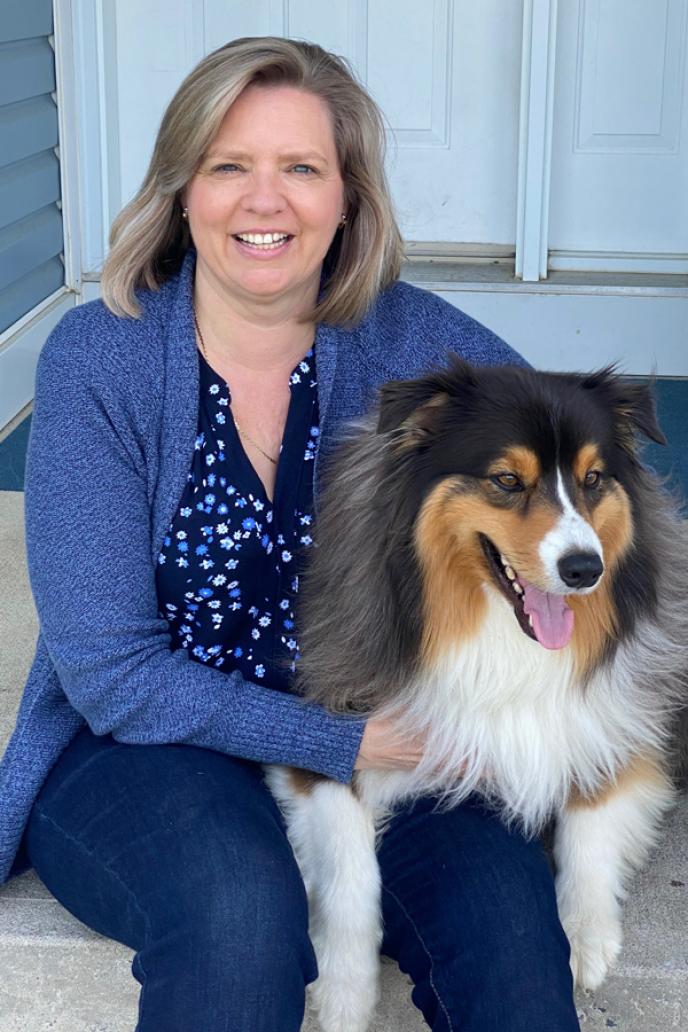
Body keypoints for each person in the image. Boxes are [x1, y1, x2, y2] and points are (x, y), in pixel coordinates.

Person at [0, 37, 581, 1032]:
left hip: (386, 738)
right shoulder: (100, 359)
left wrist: (516, 703)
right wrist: (336, 739)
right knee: (240, 914)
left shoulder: (412, 342)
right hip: (148, 746)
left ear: (347, 197)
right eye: (229, 166)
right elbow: (109, 672)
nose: (263, 201)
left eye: (301, 169)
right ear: (182, 192)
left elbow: (585, 490)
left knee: (510, 925)